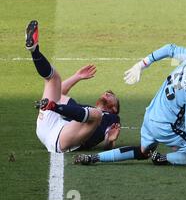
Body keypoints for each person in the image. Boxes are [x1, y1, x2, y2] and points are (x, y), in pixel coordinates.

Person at [74, 43, 186, 174]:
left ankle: (95, 158)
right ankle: (163, 158)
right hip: (167, 127)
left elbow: (170, 48)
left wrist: (141, 65)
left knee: (143, 152)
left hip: (150, 116)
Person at [25, 20, 121, 153]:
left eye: (111, 95)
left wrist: (110, 140)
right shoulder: (79, 107)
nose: (106, 93)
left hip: (61, 140)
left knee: (96, 115)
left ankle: (54, 107)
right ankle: (34, 50)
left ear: (114, 108)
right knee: (54, 79)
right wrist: (77, 77)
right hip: (49, 126)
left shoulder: (113, 118)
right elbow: (59, 92)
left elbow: (107, 144)